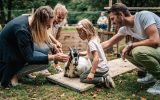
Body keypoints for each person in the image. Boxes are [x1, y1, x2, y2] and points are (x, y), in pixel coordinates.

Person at [0, 6, 69, 88]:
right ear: (40, 23)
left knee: (45, 51)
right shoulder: (22, 30)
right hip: (6, 60)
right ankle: (12, 75)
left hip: (15, 52)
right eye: (47, 26)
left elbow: (38, 37)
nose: (48, 28)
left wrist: (53, 46)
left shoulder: (29, 19)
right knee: (47, 62)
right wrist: (54, 57)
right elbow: (30, 58)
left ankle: (18, 72)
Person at [101, 3, 160, 95]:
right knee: (123, 49)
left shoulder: (143, 16)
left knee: (137, 52)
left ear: (121, 14)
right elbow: (108, 43)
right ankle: (152, 74)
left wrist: (131, 44)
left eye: (112, 18)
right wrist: (91, 47)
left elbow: (155, 41)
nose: (112, 22)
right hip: (157, 50)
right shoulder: (125, 28)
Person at [28, 3, 68, 78]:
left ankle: (57, 65)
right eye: (59, 17)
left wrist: (57, 42)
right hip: (41, 39)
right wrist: (54, 43)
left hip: (47, 39)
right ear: (54, 13)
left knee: (55, 49)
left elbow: (58, 33)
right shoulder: (49, 20)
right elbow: (47, 33)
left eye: (63, 18)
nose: (61, 20)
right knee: (48, 48)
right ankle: (42, 68)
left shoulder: (61, 23)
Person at [76, 19, 115, 88]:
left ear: (86, 31)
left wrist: (92, 73)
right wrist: (79, 54)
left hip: (99, 68)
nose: (79, 35)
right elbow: (88, 53)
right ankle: (104, 76)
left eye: (80, 33)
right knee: (87, 72)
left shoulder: (91, 43)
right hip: (104, 67)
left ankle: (103, 79)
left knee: (82, 77)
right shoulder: (95, 39)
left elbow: (96, 58)